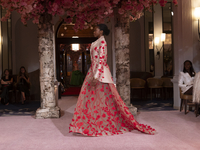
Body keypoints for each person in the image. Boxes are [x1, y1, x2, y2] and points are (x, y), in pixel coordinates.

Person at [69, 24, 156, 136]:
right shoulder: (96, 42)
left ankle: (100, 123)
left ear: (101, 31)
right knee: (89, 99)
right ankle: (86, 124)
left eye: (95, 29)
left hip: (99, 74)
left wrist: (96, 76)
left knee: (103, 100)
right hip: (92, 71)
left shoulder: (103, 42)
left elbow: (102, 60)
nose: (93, 31)